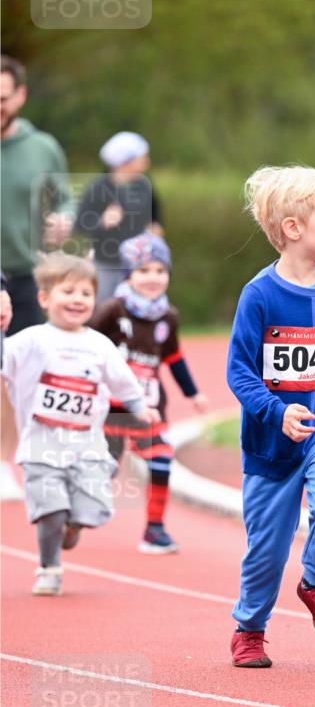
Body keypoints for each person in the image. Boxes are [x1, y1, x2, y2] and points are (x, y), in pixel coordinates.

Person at [227, 165, 315, 669]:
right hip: (271, 444)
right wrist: (277, 412)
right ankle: (250, 629)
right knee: (266, 551)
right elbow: (238, 373)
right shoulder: (259, 295)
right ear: (294, 229)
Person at [0, 254, 156, 596]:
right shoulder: (31, 340)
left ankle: (75, 525)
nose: (77, 300)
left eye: (85, 293)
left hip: (86, 445)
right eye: (67, 291)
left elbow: (123, 381)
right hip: (41, 444)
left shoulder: (99, 345)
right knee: (51, 512)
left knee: (91, 512)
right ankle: (49, 566)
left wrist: (139, 406)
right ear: (44, 299)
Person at [90, 232, 209, 554]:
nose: (153, 278)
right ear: (129, 275)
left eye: (160, 270)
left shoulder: (168, 317)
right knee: (106, 467)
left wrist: (193, 393)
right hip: (113, 407)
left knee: (161, 462)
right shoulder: (112, 309)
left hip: (151, 409)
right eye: (143, 271)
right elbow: (86, 345)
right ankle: (81, 507)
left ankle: (154, 530)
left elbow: (174, 358)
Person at [1, 54, 74, 500]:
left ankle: (15, 460)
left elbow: (64, 198)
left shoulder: (42, 147)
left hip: (26, 274)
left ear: (21, 96)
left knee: (23, 373)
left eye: (3, 99)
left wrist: (63, 219)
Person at [75, 131, 164, 304]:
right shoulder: (98, 188)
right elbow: (81, 225)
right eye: (142, 157)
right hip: (106, 265)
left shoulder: (144, 184)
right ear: (125, 161)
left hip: (138, 266)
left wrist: (156, 228)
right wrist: (102, 223)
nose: (147, 162)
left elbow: (156, 214)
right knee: (101, 312)